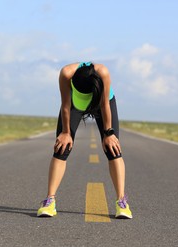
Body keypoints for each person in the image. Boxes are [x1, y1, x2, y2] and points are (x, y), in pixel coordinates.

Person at [37, 62, 132, 219]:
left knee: (113, 148)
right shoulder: (66, 74)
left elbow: (104, 105)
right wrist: (66, 132)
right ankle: (49, 201)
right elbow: (66, 105)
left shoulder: (103, 73)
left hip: (102, 103)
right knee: (61, 147)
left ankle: (122, 202)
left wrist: (109, 133)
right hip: (74, 104)